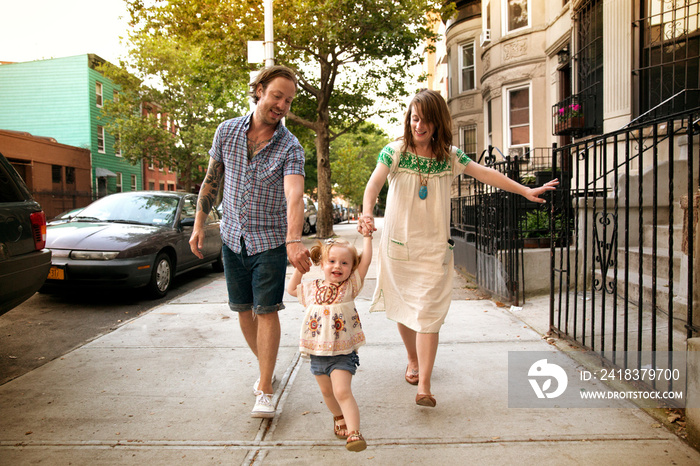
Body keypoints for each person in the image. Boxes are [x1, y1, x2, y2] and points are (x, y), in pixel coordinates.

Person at [358, 89, 558, 408]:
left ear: (438, 123)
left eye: (425, 120)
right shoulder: (394, 152)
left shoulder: (450, 156)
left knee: (429, 314)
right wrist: (367, 211)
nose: (419, 125)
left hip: (434, 249)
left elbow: (486, 173)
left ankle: (424, 384)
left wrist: (524, 190)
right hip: (399, 247)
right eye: (414, 118)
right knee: (406, 308)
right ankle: (412, 359)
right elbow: (373, 185)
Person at [189, 65, 312, 419]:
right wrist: (200, 224)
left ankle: (266, 389)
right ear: (259, 90)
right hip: (232, 237)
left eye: (288, 101)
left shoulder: (291, 147)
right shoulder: (226, 131)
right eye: (277, 96)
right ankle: (266, 369)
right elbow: (211, 181)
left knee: (266, 310)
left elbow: (294, 196)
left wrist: (293, 241)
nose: (282, 105)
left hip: (270, 241)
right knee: (243, 309)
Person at [286, 236, 373, 452]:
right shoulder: (312, 289)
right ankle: (338, 416)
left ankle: (354, 433)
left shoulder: (350, 286)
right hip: (317, 353)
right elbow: (291, 289)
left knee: (342, 391)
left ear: (352, 267)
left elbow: (366, 261)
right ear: (322, 263)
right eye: (332, 261)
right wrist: (300, 269)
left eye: (345, 263)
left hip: (342, 352)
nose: (338, 266)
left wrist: (368, 237)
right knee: (327, 393)